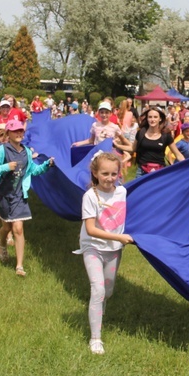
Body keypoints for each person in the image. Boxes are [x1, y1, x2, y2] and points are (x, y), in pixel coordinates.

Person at [74, 152, 133, 355]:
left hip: (114, 250)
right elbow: (90, 229)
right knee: (98, 290)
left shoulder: (122, 193)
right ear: (95, 173)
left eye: (113, 174)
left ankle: (98, 309)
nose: (109, 178)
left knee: (108, 291)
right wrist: (120, 237)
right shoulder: (90, 196)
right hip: (93, 247)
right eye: (105, 173)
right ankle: (95, 338)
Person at [0, 119, 54, 276]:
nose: (19, 133)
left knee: (18, 228)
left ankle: (19, 266)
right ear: (8, 133)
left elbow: (33, 170)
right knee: (7, 227)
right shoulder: (2, 150)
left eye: (21, 131)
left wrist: (46, 165)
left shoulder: (26, 151)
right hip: (2, 196)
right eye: (15, 131)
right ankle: (1, 243)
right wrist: (5, 167)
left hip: (19, 195)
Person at [131, 107, 185, 178]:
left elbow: (178, 154)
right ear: (147, 119)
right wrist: (117, 144)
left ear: (160, 119)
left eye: (155, 117)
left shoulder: (166, 136)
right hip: (141, 172)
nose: (152, 119)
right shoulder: (141, 133)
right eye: (150, 117)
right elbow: (132, 149)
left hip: (159, 173)